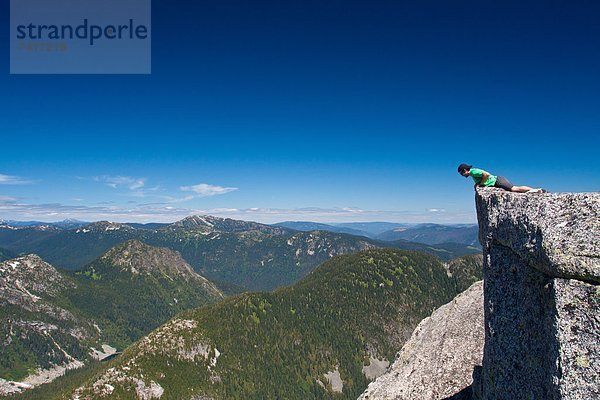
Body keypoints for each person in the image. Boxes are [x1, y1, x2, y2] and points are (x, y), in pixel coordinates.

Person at [457, 163, 545, 193]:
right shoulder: (473, 173)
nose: (462, 175)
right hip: (496, 181)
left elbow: (486, 174)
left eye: (461, 173)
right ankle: (534, 190)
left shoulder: (473, 171)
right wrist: (477, 183)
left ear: (465, 170)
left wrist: (482, 183)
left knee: (514, 189)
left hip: (497, 181)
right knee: (514, 189)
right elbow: (481, 177)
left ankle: (536, 190)